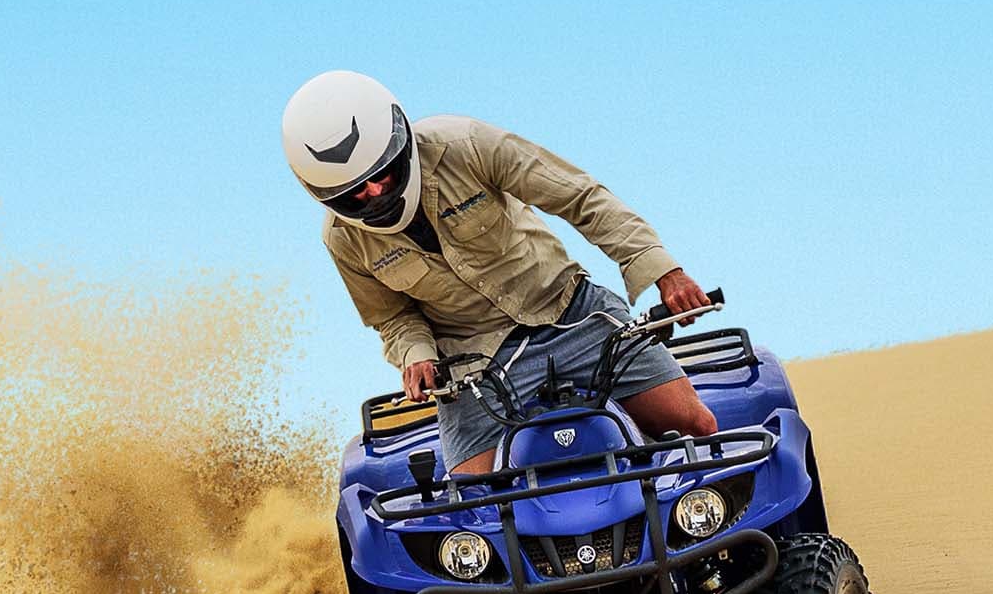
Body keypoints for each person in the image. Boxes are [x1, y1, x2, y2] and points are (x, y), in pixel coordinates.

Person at [282, 70, 718, 474]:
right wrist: (416, 354)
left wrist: (663, 270)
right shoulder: (342, 238)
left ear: (401, 141)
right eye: (354, 192)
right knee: (472, 504)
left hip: (573, 314)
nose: (374, 191)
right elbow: (391, 317)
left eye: (383, 174)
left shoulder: (466, 144)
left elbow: (581, 199)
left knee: (696, 426)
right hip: (474, 368)